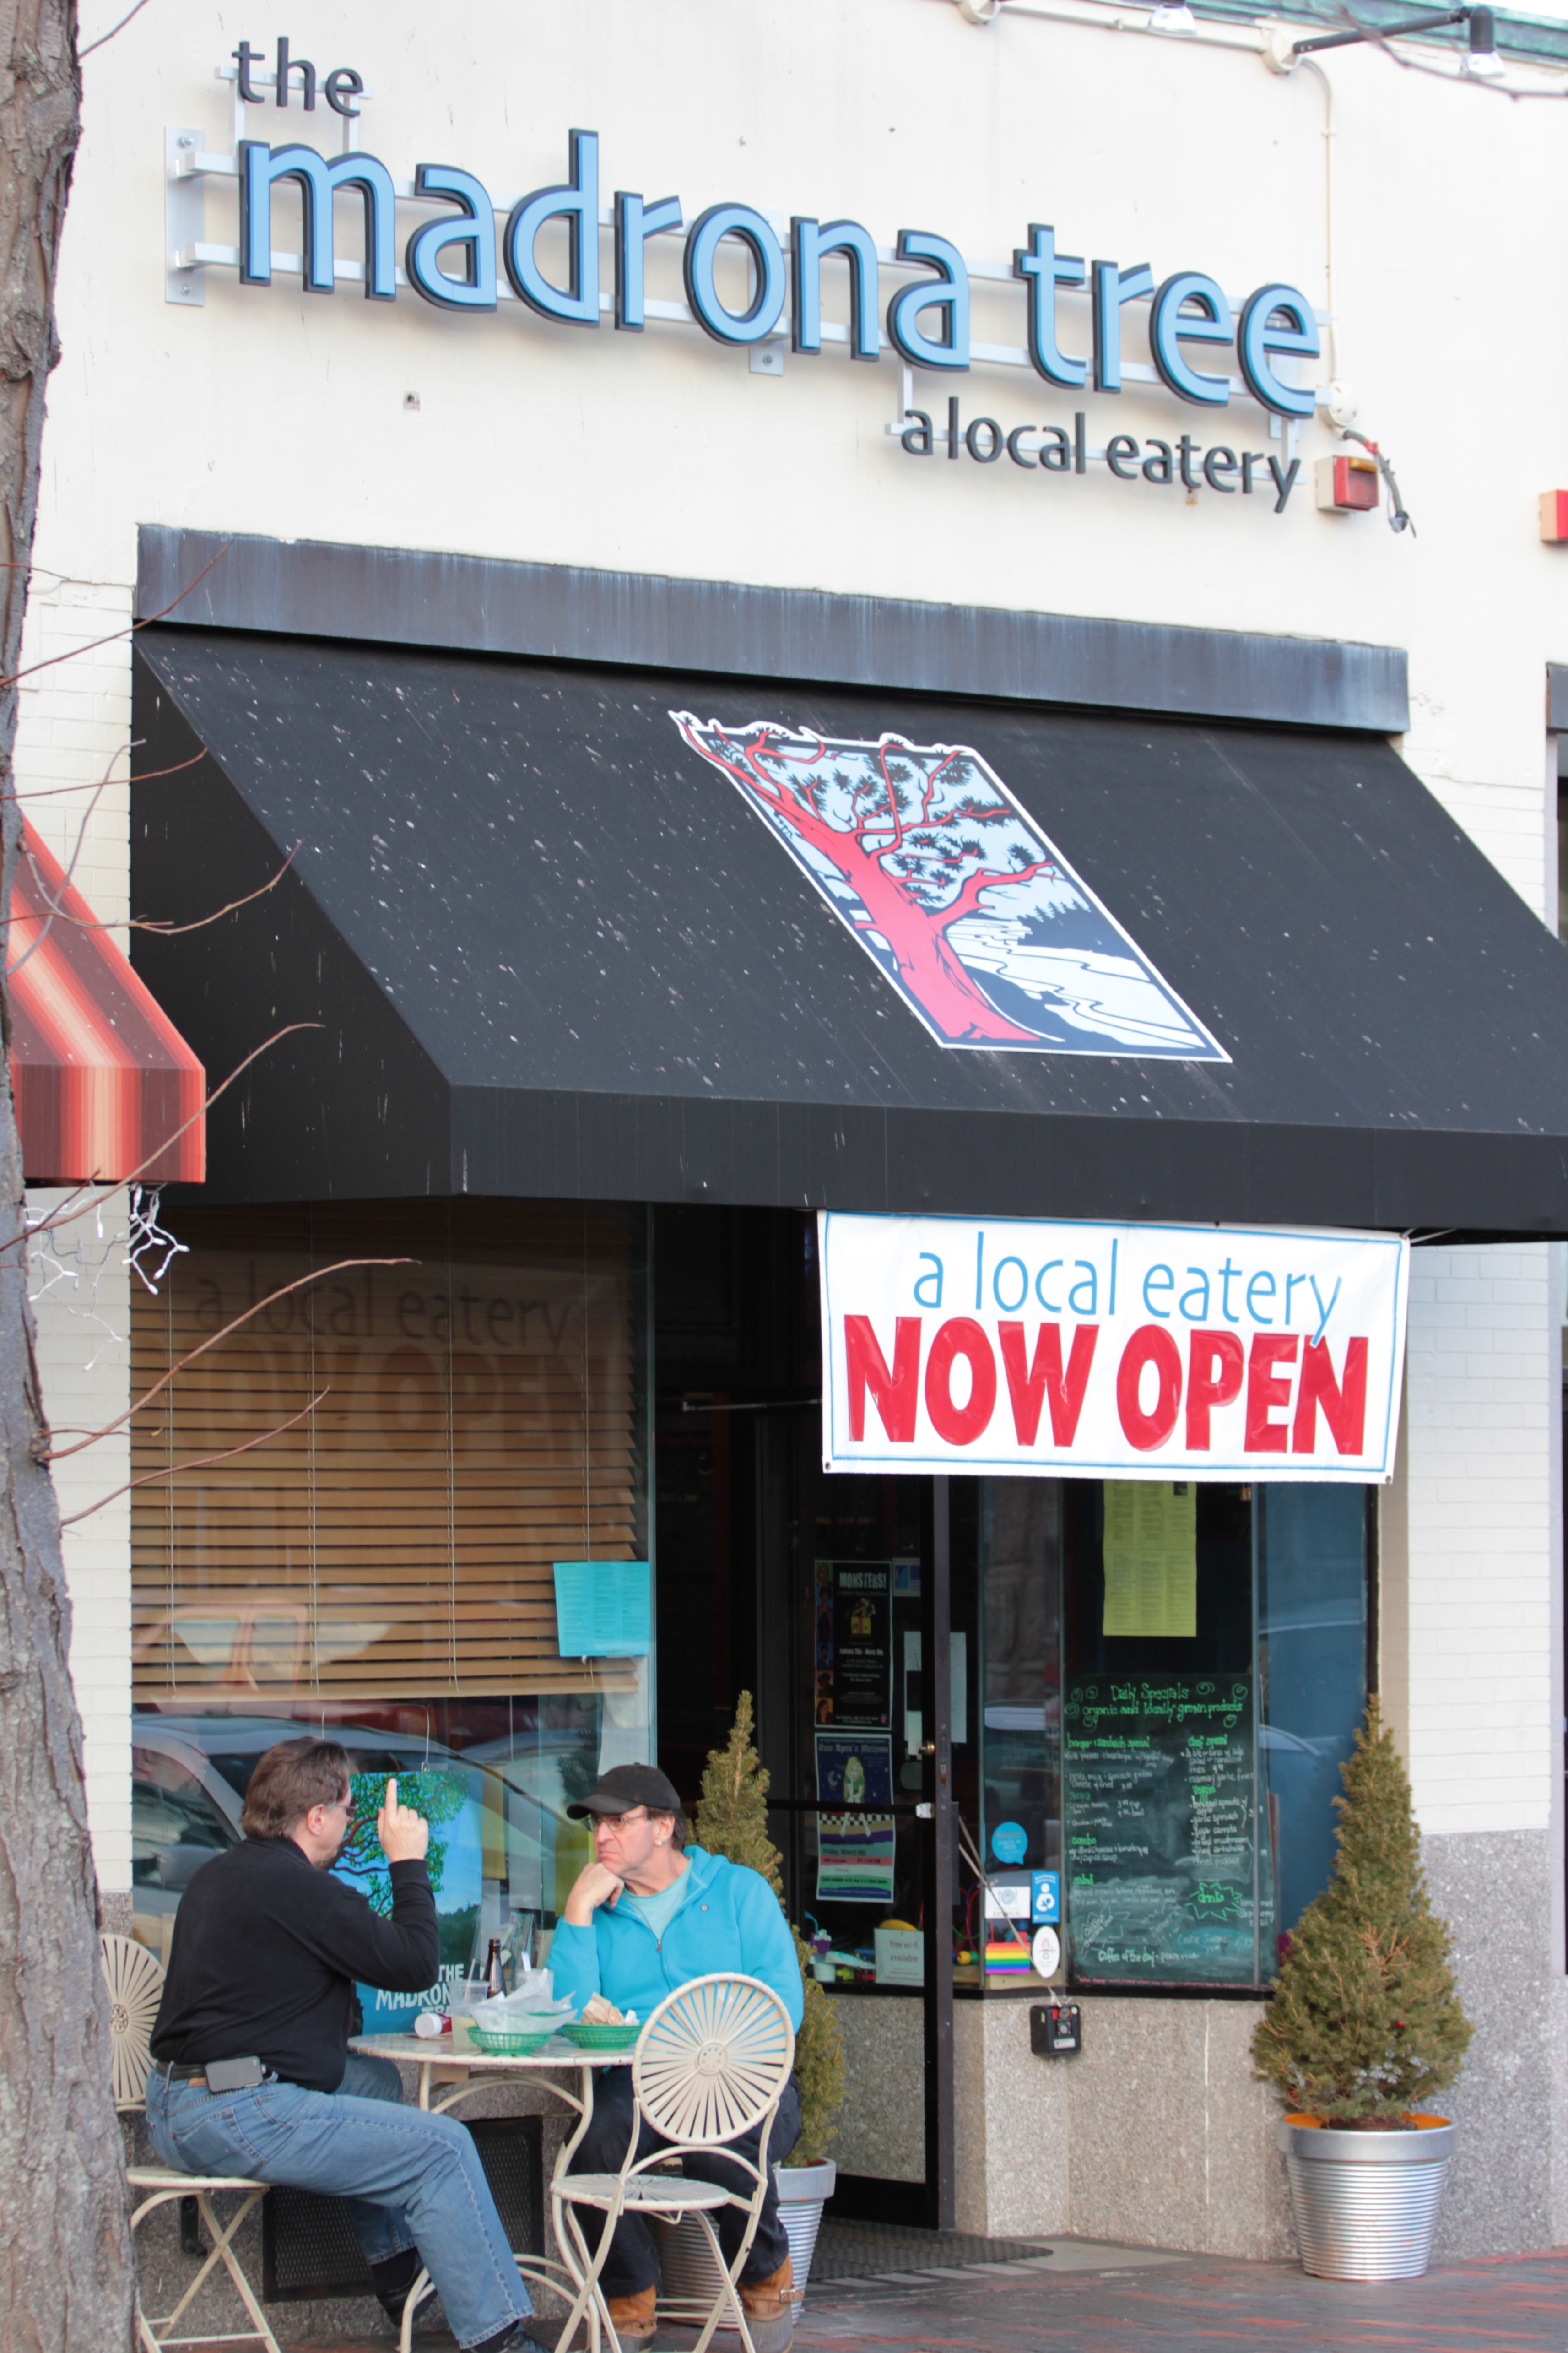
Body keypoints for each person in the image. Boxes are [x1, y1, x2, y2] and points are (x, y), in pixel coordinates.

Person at [145, 1737, 544, 2353]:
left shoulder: (216, 1875)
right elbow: (415, 1965)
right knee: (443, 2150)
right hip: (235, 2112)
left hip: (173, 2106)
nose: (353, 1822)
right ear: (316, 1818)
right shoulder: (305, 1892)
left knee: (375, 2084)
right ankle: (500, 2341)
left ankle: (398, 2276)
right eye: (348, 1810)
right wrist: (407, 1861)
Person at [551, 1763, 804, 2353]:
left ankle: (765, 2280)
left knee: (725, 2150)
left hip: (746, 2079)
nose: (602, 1836)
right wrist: (579, 1908)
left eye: (618, 1822)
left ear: (663, 1827)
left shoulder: (737, 1892)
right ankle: (630, 2299)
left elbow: (782, 2007)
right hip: (642, 2084)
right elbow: (568, 2014)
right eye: (596, 1825)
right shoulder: (601, 1912)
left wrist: (719, 2063)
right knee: (592, 2144)